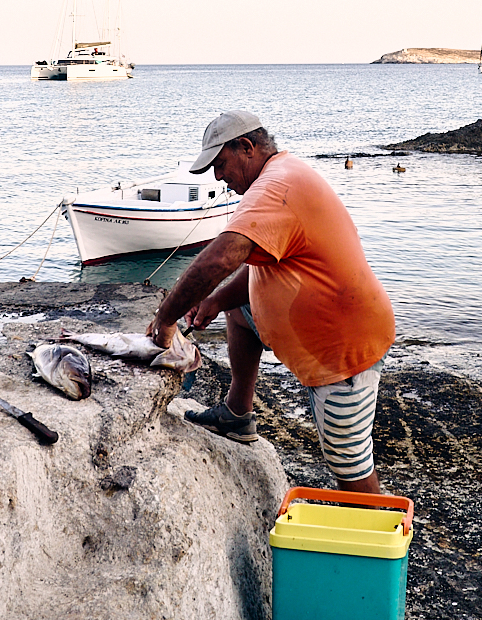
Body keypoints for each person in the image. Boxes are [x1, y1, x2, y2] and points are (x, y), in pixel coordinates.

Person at [147, 112, 395, 494]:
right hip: (320, 328)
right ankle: (236, 413)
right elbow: (264, 264)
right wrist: (216, 300)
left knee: (349, 464)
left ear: (246, 147)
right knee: (238, 311)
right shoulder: (282, 175)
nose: (218, 177)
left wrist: (166, 319)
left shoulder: (274, 188)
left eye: (220, 164)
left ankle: (373, 546)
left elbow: (219, 259)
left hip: (341, 347)